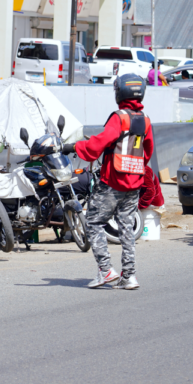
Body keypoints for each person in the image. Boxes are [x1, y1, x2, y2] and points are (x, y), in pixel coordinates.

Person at [62, 73, 153, 290]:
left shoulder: (119, 118)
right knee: (126, 227)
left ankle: (105, 270)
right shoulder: (145, 119)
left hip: (112, 182)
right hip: (134, 182)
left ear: (120, 92)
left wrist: (74, 146)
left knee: (93, 223)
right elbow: (147, 151)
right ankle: (129, 276)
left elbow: (97, 145)